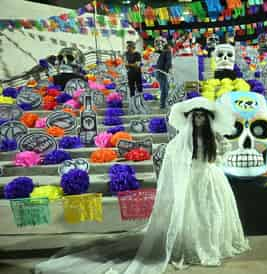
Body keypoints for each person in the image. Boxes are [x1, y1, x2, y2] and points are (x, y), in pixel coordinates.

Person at [34, 97, 250, 274]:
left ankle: (211, 243)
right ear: (191, 118)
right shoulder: (182, 141)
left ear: (209, 118)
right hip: (192, 179)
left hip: (211, 178)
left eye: (203, 116)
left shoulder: (215, 138)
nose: (200, 120)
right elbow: (173, 158)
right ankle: (189, 245)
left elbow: (222, 154)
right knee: (190, 213)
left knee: (210, 212)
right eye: (196, 116)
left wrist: (212, 166)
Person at [154, 37, 172, 109]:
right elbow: (168, 62)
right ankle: (163, 105)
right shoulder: (168, 52)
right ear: (169, 47)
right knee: (164, 89)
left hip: (159, 72)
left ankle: (164, 104)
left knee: (166, 87)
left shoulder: (163, 52)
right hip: (162, 72)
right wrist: (167, 71)